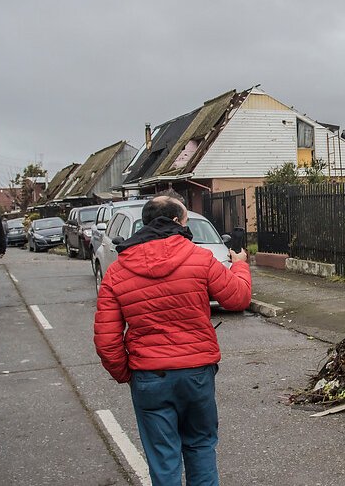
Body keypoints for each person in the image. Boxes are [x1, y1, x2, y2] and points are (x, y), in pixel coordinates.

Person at [94, 195, 251, 486]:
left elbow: (107, 340)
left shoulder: (118, 271)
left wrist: (127, 374)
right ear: (178, 222)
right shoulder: (199, 258)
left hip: (149, 376)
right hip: (196, 374)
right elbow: (238, 297)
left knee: (163, 459)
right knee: (200, 446)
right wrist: (239, 265)